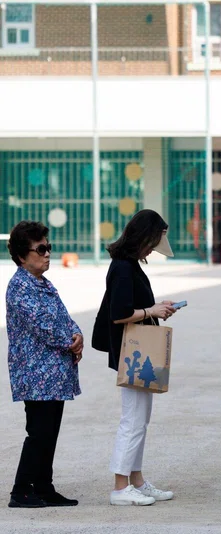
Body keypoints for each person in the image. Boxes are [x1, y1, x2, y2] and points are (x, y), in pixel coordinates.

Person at [93, 210, 180, 506]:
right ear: (142, 238)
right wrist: (151, 311)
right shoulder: (123, 267)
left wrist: (156, 306)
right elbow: (119, 314)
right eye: (151, 243)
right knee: (132, 419)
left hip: (137, 351)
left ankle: (136, 480)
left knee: (140, 419)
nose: (151, 250)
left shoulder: (128, 265)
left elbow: (131, 306)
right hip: (132, 353)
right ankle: (120, 487)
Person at [5, 221, 83, 508]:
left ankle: (44, 487)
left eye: (48, 247)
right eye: (40, 249)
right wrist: (69, 340)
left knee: (49, 431)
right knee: (38, 433)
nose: (48, 253)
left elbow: (63, 317)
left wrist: (77, 334)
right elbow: (44, 325)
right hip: (35, 373)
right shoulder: (19, 287)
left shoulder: (43, 284)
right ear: (22, 256)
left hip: (53, 372)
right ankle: (21, 490)